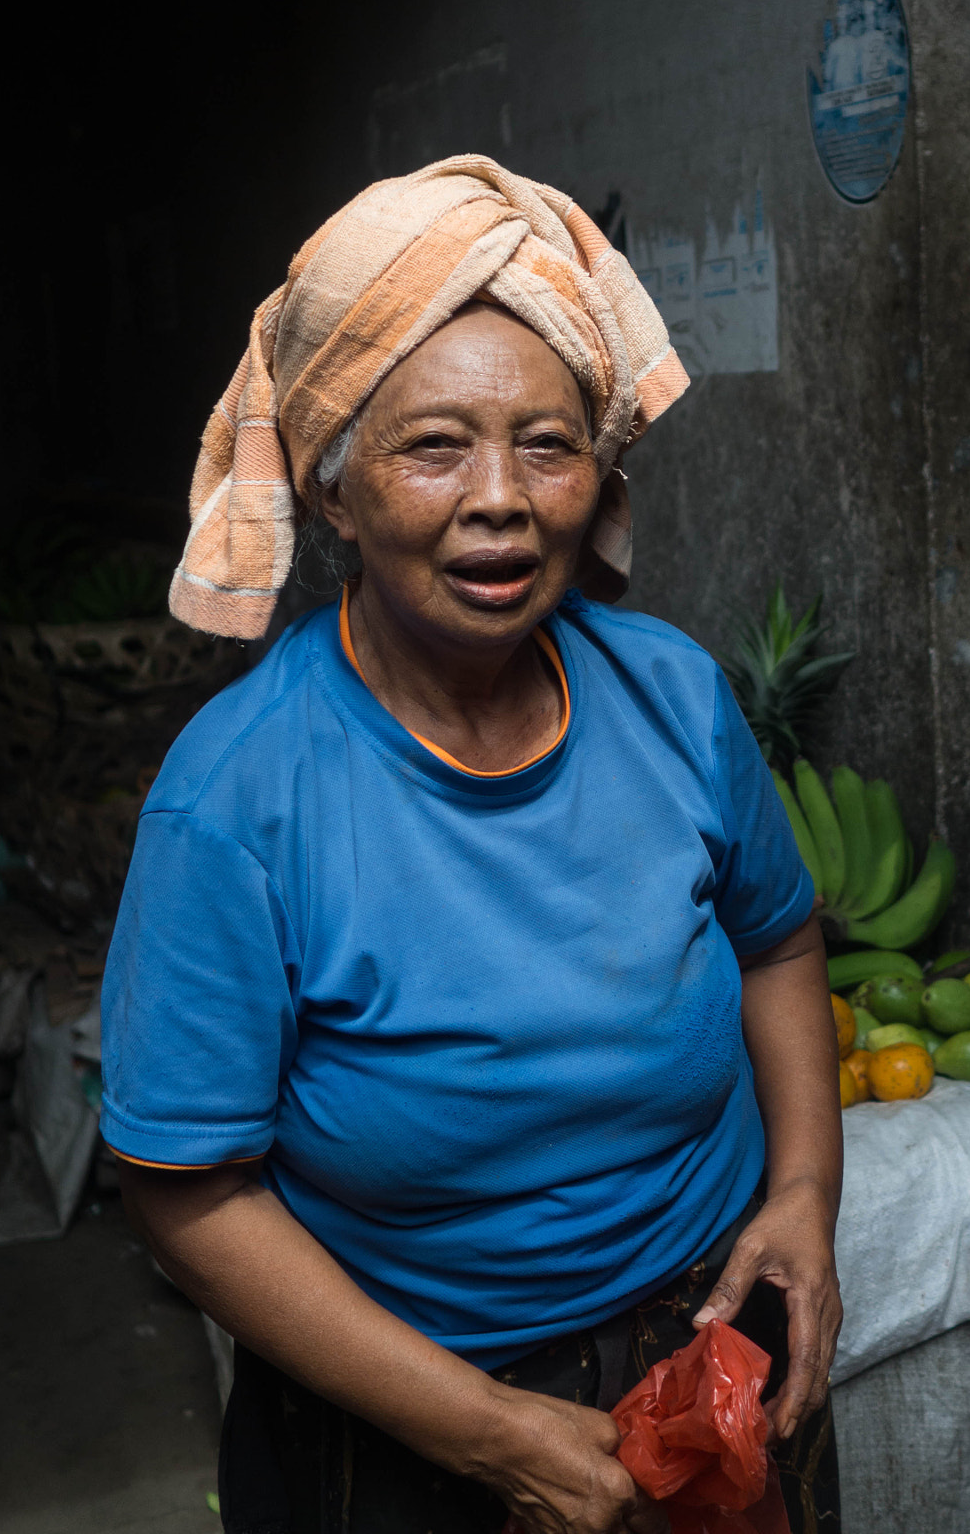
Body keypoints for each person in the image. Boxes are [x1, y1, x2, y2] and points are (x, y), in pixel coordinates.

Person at [101, 157, 844, 1534]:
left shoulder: (673, 697)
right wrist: (491, 1435)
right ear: (332, 491)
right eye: (434, 444)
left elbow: (780, 937)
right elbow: (183, 1189)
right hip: (406, 1415)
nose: (501, 497)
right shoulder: (241, 796)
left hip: (712, 1366)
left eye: (548, 445)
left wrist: (804, 1192)